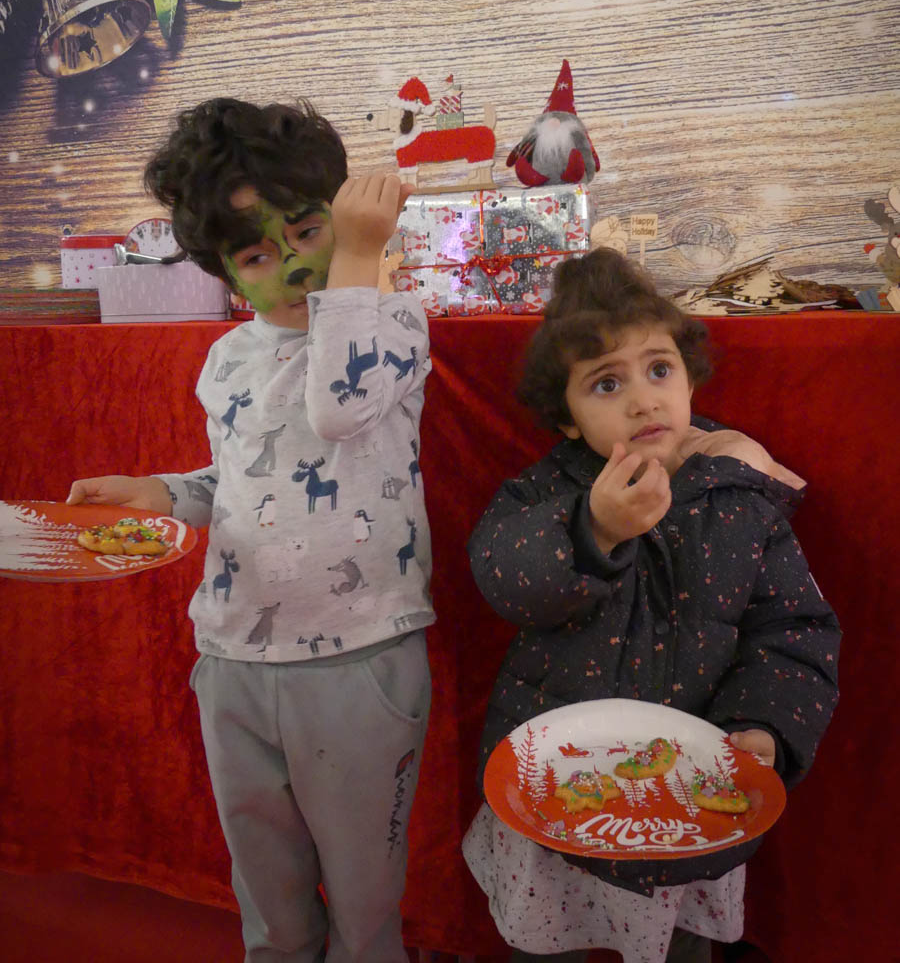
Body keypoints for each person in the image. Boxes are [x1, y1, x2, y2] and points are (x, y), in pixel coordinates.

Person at [68, 97, 434, 963]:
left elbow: (339, 405)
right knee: (268, 904)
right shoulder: (228, 357)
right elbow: (242, 480)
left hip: (358, 660)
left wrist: (361, 255)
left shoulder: (394, 323)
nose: (296, 266)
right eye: (260, 256)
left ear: (342, 219)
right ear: (231, 277)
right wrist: (163, 492)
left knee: (364, 908)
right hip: (233, 659)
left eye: (309, 232)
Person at [462, 247, 840, 963]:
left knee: (682, 948)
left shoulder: (740, 498)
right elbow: (503, 576)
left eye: (659, 370)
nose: (643, 400)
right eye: (607, 383)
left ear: (689, 380)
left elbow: (793, 631)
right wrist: (593, 529)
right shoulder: (541, 495)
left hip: (689, 796)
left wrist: (763, 726)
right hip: (564, 791)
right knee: (546, 946)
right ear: (567, 419)